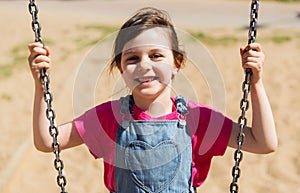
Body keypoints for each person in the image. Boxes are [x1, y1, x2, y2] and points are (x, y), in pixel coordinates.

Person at [28, 7, 277, 193]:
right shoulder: (109, 117)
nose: (144, 65)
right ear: (121, 69)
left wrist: (256, 83)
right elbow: (47, 141)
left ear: (176, 64)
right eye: (132, 58)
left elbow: (262, 142)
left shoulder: (198, 119)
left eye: (156, 55)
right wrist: (40, 85)